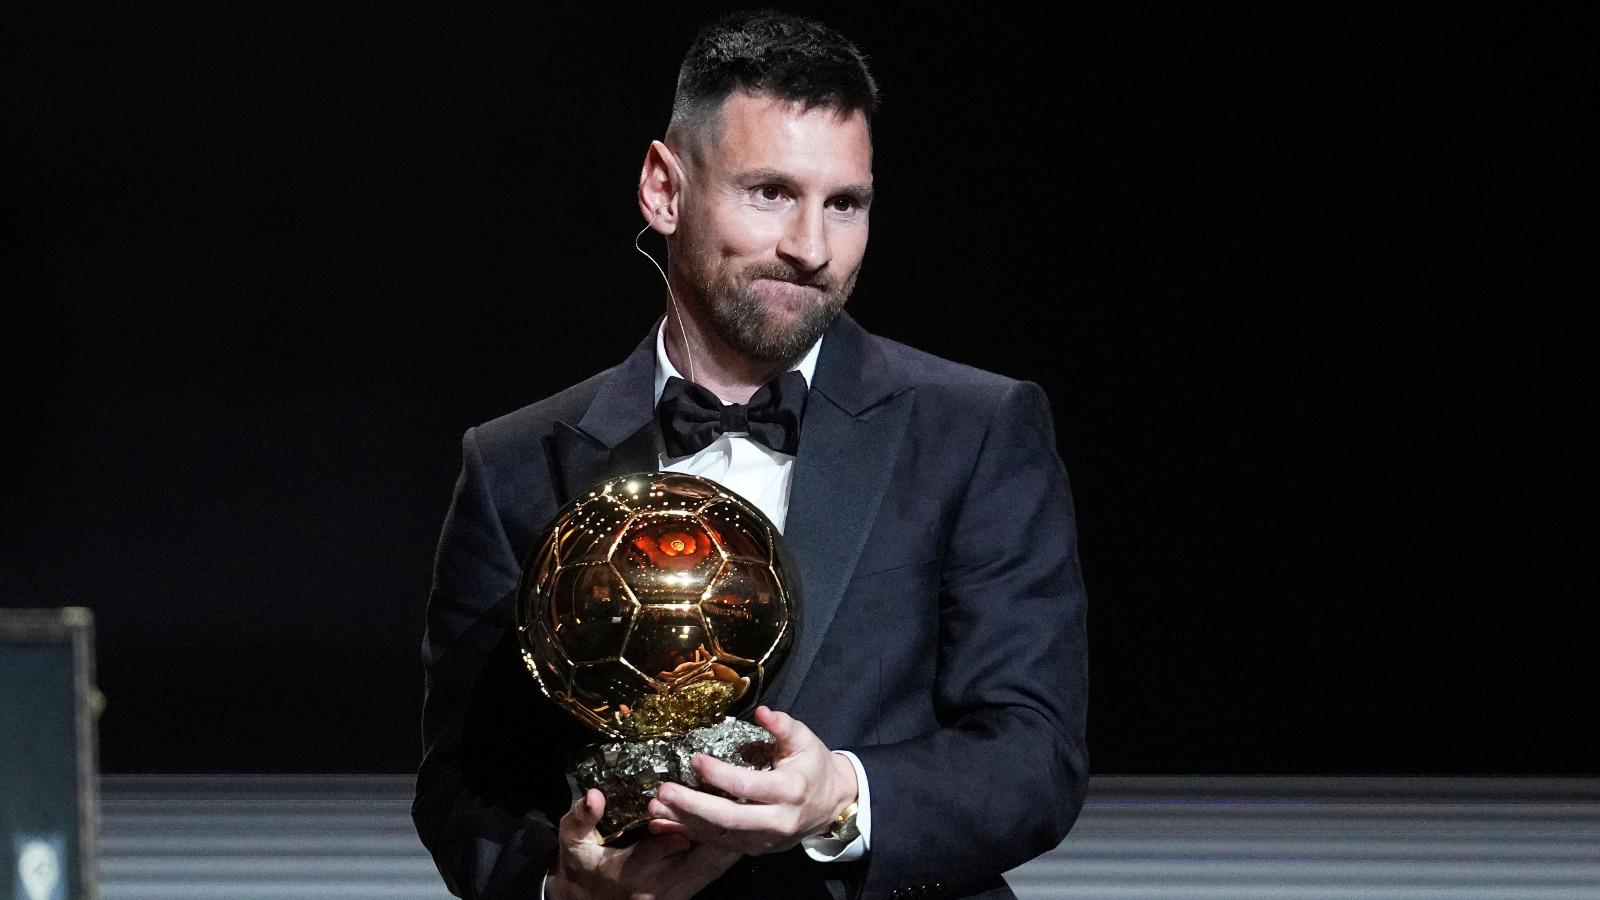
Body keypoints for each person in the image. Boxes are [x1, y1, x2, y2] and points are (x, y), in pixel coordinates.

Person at [412, 11, 1088, 900]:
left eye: (844, 204)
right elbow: (464, 787)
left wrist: (841, 798)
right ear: (664, 189)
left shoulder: (978, 428)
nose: (812, 248)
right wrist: (563, 885)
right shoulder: (513, 463)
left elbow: (1036, 753)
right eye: (771, 192)